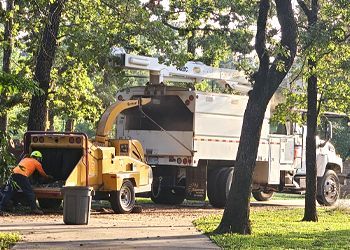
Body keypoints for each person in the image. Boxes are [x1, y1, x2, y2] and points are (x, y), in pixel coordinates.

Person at [0, 151, 52, 215]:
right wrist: (47, 177)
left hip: (13, 174)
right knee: (30, 193)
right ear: (38, 158)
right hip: (22, 176)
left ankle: (1, 208)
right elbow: (42, 173)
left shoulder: (24, 159)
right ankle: (34, 209)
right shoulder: (37, 163)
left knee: (9, 192)